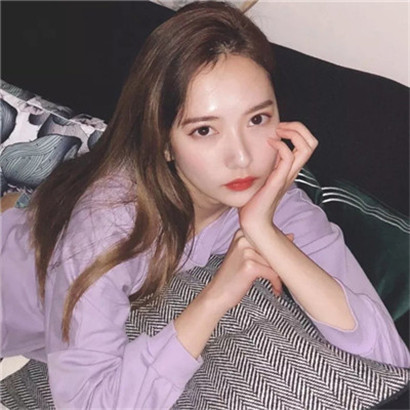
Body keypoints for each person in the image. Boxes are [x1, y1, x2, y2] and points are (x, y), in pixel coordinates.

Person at [1, 1, 409, 408]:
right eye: (204, 130)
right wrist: (215, 298)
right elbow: (87, 403)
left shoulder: (271, 199)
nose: (242, 158)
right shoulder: (110, 220)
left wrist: (263, 230)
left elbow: (384, 351)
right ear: (163, 142)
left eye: (256, 120)